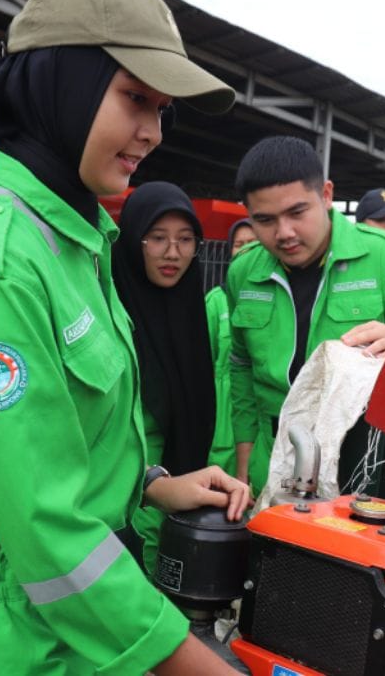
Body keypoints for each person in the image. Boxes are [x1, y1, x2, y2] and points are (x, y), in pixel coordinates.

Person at [0, 0, 250, 674]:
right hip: (3, 637)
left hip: (65, 619)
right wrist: (196, 665)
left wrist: (151, 482)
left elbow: (65, 437)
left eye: (162, 110)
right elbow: (43, 526)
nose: (153, 132)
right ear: (64, 85)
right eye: (135, 98)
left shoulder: (75, 240)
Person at [227, 136, 385, 494]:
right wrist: (244, 462)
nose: (284, 233)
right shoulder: (243, 272)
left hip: (360, 462)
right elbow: (241, 368)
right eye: (265, 220)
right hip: (272, 457)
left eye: (297, 213)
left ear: (325, 195)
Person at [113, 181, 217, 575]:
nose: (172, 252)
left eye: (185, 239)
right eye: (157, 238)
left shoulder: (191, 311)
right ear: (132, 240)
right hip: (120, 500)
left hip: (183, 493)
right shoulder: (107, 311)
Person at [205, 218, 256, 477]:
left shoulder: (275, 298)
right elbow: (204, 362)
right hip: (224, 420)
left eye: (253, 243)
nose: (245, 249)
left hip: (262, 414)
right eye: (239, 244)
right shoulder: (216, 301)